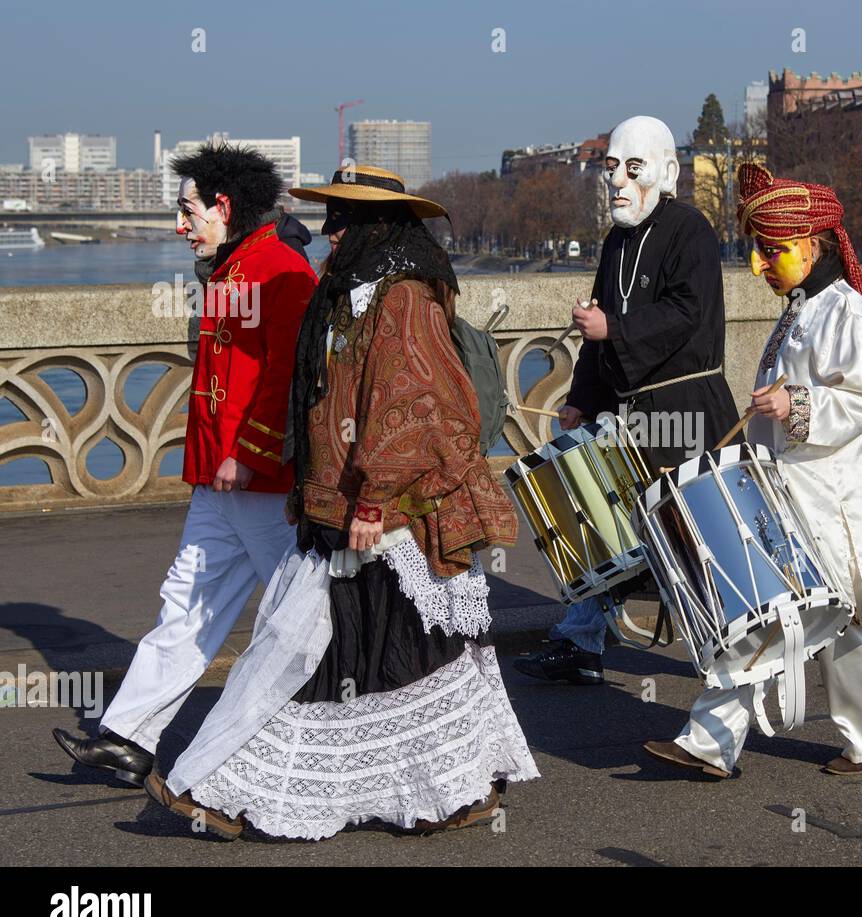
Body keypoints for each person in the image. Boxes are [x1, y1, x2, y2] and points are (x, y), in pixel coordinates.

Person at [144, 165, 537, 839]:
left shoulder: (405, 296)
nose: (327, 231)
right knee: (335, 657)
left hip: (391, 517)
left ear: (376, 227)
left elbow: (414, 405)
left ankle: (234, 792)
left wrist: (374, 498)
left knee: (397, 661)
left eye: (342, 219)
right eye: (330, 216)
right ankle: (223, 789)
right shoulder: (350, 292)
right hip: (336, 509)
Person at [53, 144, 317, 786]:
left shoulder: (282, 271)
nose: (180, 225)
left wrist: (250, 458)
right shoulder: (232, 267)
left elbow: (291, 379)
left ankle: (319, 751)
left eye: (187, 210)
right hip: (218, 477)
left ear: (223, 207)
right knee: (187, 605)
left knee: (300, 626)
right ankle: (127, 737)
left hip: (260, 483)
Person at [643, 163, 862, 778]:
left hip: (831, 502)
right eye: (759, 252)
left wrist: (796, 404)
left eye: (772, 251)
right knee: (762, 620)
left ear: (813, 246)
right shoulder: (801, 306)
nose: (759, 266)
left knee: (848, 634)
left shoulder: (845, 310)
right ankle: (710, 743)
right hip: (784, 496)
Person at [514, 115, 740, 686]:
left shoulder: (690, 230)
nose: (617, 181)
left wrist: (613, 329)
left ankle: (727, 649)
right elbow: (598, 320)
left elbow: (686, 313)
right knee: (604, 524)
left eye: (632, 168)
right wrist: (582, 400)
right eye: (612, 168)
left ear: (666, 172)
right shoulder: (618, 238)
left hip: (685, 411)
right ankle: (581, 640)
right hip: (628, 413)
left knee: (685, 537)